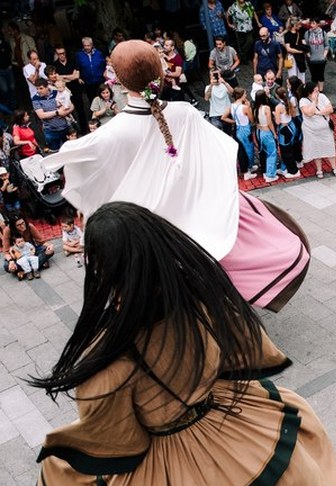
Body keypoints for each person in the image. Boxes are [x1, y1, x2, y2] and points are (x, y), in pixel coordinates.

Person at [28, 202, 336, 486]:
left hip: (169, 449)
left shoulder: (108, 360)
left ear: (102, 269)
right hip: (224, 422)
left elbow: (119, 442)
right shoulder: (204, 302)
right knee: (264, 464)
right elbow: (243, 355)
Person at [42, 40, 310, 313]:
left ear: (119, 82)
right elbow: (218, 154)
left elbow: (76, 163)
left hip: (150, 226)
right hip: (193, 210)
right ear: (159, 74)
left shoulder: (112, 132)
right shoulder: (184, 112)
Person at [298, 81, 336, 178]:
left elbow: (330, 109)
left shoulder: (322, 97)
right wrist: (313, 101)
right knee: (317, 150)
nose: (317, 93)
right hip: (312, 131)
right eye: (315, 91)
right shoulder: (303, 101)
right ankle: (319, 169)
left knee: (329, 147)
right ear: (309, 92)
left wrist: (318, 113)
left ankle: (334, 167)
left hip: (325, 129)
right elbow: (308, 113)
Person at [222, 86, 257, 179]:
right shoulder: (244, 107)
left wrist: (234, 121)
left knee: (241, 149)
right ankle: (247, 171)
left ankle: (247, 168)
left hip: (237, 129)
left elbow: (223, 117)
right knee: (248, 149)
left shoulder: (232, 106)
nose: (246, 95)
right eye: (245, 94)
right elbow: (252, 119)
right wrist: (249, 107)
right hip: (245, 130)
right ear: (241, 95)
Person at [32, 78, 73, 152]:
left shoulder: (57, 92)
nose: (39, 91)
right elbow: (41, 115)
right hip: (51, 130)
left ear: (47, 87)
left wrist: (65, 112)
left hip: (65, 127)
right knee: (55, 152)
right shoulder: (35, 99)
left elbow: (71, 106)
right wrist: (57, 112)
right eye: (37, 89)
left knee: (70, 149)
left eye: (41, 88)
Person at [305, 20, 328, 91]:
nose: (312, 25)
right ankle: (315, 89)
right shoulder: (308, 33)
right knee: (313, 75)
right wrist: (308, 55)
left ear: (318, 24)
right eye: (311, 23)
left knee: (321, 74)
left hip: (321, 58)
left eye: (314, 23)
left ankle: (321, 90)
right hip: (312, 59)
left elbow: (327, 45)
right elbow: (306, 45)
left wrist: (324, 56)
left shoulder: (323, 33)